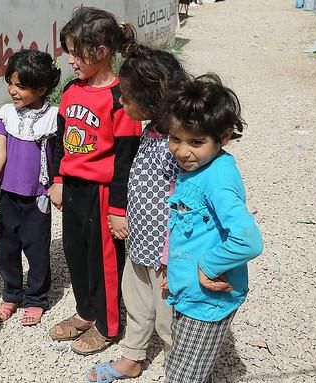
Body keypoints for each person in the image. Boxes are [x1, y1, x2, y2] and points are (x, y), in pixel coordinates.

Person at [86, 45, 189, 382]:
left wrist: (174, 254)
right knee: (136, 302)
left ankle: (183, 368)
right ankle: (132, 357)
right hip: (141, 242)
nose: (120, 102)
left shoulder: (178, 145)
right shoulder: (150, 132)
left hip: (167, 253)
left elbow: (188, 203)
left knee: (167, 315)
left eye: (126, 97)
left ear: (151, 99)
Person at [47, 6, 142, 356]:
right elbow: (60, 140)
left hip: (103, 193)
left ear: (101, 52)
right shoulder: (72, 91)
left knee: (103, 260)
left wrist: (119, 208)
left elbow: (125, 159)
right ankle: (86, 312)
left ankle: (108, 324)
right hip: (72, 189)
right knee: (76, 254)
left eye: (76, 53)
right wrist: (57, 179)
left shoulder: (122, 98)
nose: (70, 60)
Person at [162, 74, 263, 382]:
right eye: (174, 139)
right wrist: (173, 269)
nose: (181, 152)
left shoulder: (218, 180)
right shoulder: (196, 169)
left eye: (196, 142)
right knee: (186, 366)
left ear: (224, 137)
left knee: (182, 376)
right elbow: (186, 227)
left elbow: (249, 241)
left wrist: (207, 266)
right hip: (189, 293)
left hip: (207, 300)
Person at [0, 49, 61, 326]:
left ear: (42, 89)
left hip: (38, 197)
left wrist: (58, 185)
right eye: (11, 83)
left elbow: (60, 156)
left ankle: (36, 298)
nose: (13, 90)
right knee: (6, 247)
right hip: (9, 195)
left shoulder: (53, 119)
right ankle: (12, 294)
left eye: (21, 86)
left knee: (37, 248)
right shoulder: (6, 116)